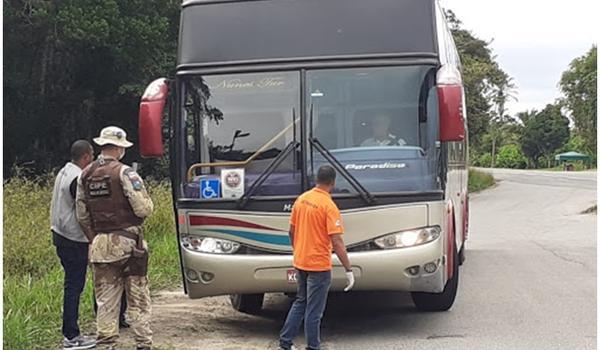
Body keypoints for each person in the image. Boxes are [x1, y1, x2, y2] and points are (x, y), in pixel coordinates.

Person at [76, 126, 154, 350]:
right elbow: (143, 209)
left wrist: (94, 236)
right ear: (120, 148)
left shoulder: (85, 175)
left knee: (106, 300)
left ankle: (106, 344)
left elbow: (81, 215)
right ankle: (143, 344)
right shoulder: (125, 172)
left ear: (102, 145)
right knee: (137, 297)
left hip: (100, 244)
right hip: (129, 245)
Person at [279, 165, 355, 350]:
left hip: (301, 261)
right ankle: (313, 346)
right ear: (333, 182)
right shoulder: (329, 206)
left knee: (300, 301)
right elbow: (336, 241)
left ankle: (285, 342)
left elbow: (291, 230)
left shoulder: (302, 200)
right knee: (314, 311)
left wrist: (298, 250)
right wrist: (348, 269)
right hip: (319, 266)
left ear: (316, 180)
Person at [51, 140, 97, 350]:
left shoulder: (64, 171)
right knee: (74, 287)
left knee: (72, 285)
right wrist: (91, 238)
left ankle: (72, 332)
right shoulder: (77, 179)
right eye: (92, 156)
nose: (93, 160)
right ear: (86, 156)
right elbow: (82, 212)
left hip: (59, 234)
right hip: (73, 239)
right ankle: (71, 336)